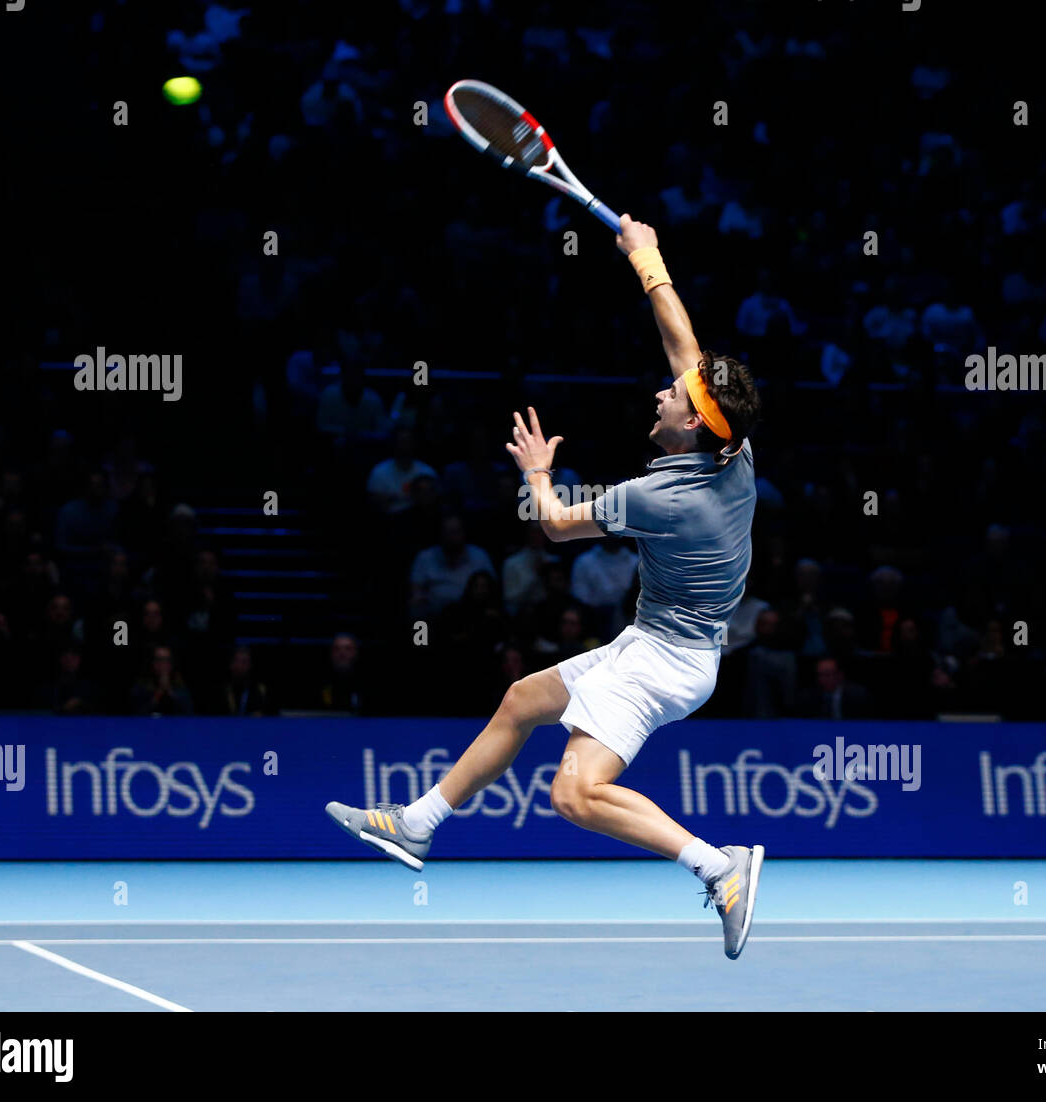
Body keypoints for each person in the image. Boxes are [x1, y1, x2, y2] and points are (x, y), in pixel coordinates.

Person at [327, 215, 765, 959]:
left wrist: (535, 469)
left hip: (660, 660)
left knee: (573, 795)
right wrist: (647, 259)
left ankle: (719, 866)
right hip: (679, 652)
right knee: (524, 699)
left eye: (673, 394)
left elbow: (556, 526)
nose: (663, 389)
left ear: (691, 423)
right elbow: (682, 341)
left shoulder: (660, 500)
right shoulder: (734, 449)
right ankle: (419, 823)